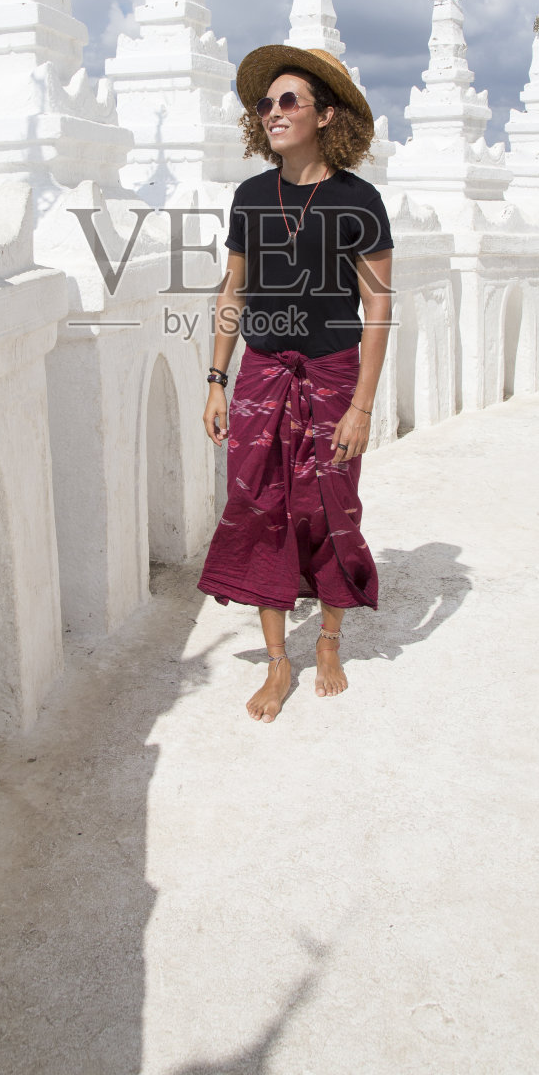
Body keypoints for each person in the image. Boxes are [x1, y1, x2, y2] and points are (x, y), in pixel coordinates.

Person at [198, 45, 393, 722]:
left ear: (326, 115)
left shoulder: (358, 201)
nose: (272, 112)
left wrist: (362, 406)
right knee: (258, 505)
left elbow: (377, 306)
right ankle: (279, 660)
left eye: (288, 101)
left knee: (331, 504)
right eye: (264, 104)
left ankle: (329, 640)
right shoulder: (251, 197)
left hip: (334, 374)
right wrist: (217, 379)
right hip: (262, 372)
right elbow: (233, 290)